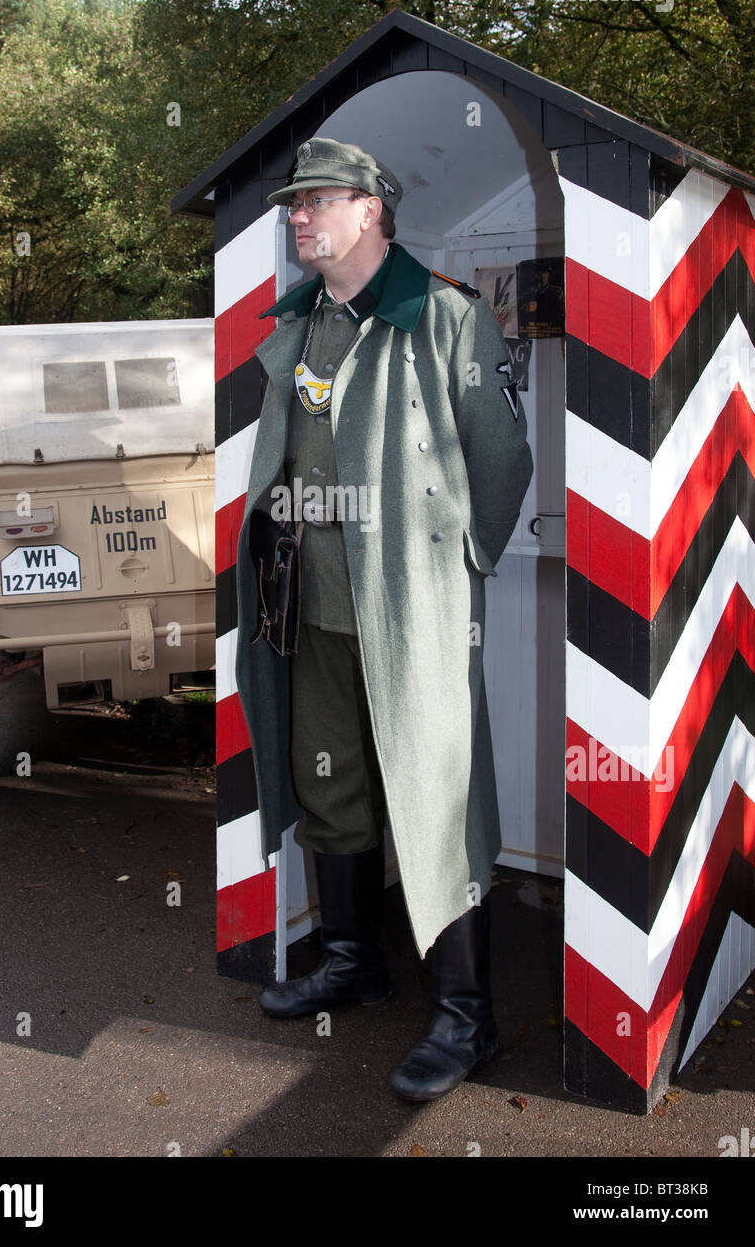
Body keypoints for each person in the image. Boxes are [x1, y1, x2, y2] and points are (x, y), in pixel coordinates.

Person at [234, 138, 533, 1101]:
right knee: (332, 787)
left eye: (316, 201)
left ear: (372, 211)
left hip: (417, 616)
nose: (298, 218)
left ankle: (465, 1015)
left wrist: (460, 567)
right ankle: (356, 958)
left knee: (442, 802)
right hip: (315, 613)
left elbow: (502, 462)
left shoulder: (446, 318)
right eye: (293, 206)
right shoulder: (307, 324)